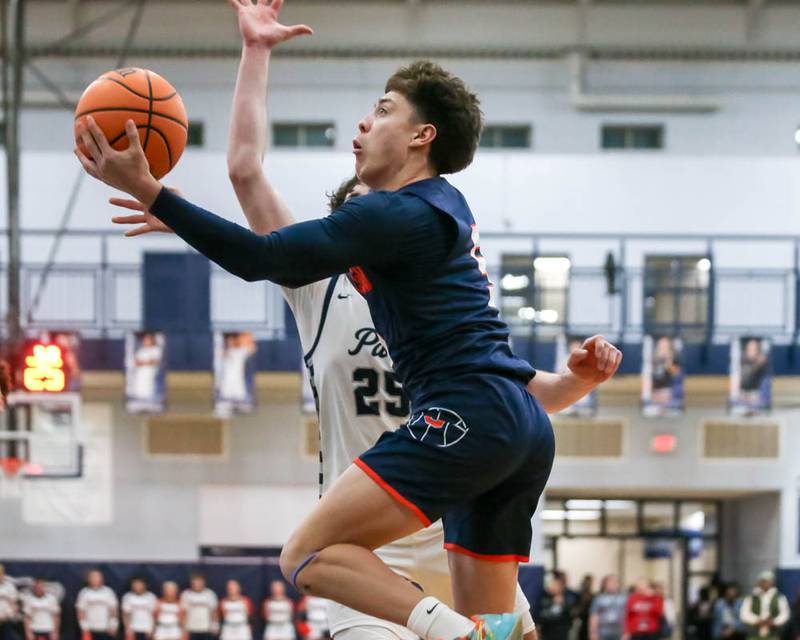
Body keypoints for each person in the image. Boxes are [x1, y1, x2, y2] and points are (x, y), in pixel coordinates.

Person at [75, 3, 623, 639]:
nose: (364, 126)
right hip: (432, 490)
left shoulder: (395, 218)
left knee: (303, 553)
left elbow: (259, 255)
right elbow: (248, 177)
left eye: (384, 111)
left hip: (446, 453)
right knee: (504, 626)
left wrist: (153, 192)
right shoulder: (385, 266)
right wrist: (255, 53)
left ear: (420, 141)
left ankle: (457, 636)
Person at [740, 572, 790, 640]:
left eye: (768, 581)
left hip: (773, 634)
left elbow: (785, 614)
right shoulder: (751, 597)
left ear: (773, 582)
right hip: (754, 633)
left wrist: (774, 621)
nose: (766, 583)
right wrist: (756, 620)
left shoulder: (780, 597)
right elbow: (744, 613)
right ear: (759, 582)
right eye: (763, 581)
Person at [76, 570, 118, 640]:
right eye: (92, 577)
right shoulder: (84, 592)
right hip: (90, 629)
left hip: (106, 629)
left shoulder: (108, 592)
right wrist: (84, 627)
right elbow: (80, 611)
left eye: (97, 577)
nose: (95, 579)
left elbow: (113, 609)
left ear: (101, 578)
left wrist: (113, 624)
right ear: (88, 579)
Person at [180, 574, 218, 640]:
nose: (197, 585)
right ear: (192, 583)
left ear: (203, 583)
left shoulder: (210, 594)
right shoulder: (186, 594)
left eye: (199, 583)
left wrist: (215, 625)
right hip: (191, 628)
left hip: (206, 628)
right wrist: (183, 628)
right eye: (195, 583)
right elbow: (183, 613)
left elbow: (214, 611)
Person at [589, 575, 626, 640]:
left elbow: (628, 616)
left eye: (614, 582)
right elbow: (594, 616)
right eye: (609, 583)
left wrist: (627, 633)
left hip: (619, 632)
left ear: (618, 584)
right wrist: (593, 633)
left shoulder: (624, 598)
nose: (612, 585)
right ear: (605, 585)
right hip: (603, 632)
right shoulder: (599, 598)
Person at [0, 564, 19, 640]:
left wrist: (11, 614)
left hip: (7, 620)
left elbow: (14, 604)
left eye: (0, 574)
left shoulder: (10, 586)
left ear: (3, 574)